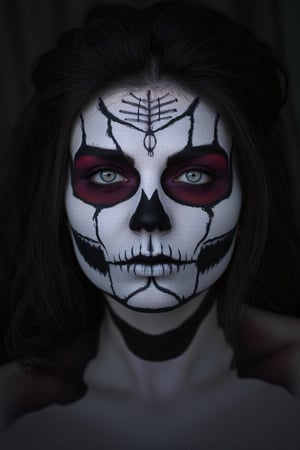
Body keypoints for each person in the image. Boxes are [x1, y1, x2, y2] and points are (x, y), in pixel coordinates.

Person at [0, 2, 300, 448]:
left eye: (194, 175)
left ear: (248, 191)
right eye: (106, 176)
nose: (150, 220)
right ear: (57, 195)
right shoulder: (13, 410)